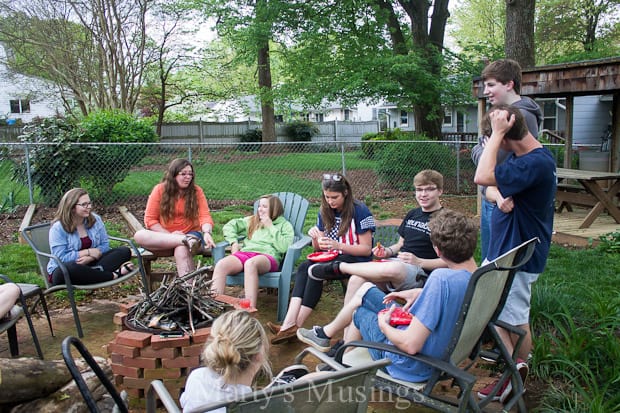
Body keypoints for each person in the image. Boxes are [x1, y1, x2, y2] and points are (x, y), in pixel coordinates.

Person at [297, 209, 478, 384]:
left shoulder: (441, 279)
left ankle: (342, 366)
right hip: (440, 349)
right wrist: (420, 293)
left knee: (359, 312)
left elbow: (410, 345)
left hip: (408, 363)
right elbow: (450, 298)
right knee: (366, 287)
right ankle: (327, 335)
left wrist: (383, 325)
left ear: (437, 251)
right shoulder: (475, 275)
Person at [473, 104, 556, 402]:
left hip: (518, 258)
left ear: (507, 138)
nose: (493, 148)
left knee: (516, 319)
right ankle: (514, 368)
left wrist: (495, 135)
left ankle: (517, 374)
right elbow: (488, 188)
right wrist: (497, 194)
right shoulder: (527, 159)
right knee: (491, 311)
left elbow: (481, 176)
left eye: (496, 142)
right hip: (504, 251)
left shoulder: (535, 163)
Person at [268, 173, 376, 345]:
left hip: (355, 260)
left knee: (314, 271)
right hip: (333, 256)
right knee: (304, 267)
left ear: (346, 193)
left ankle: (295, 325)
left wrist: (338, 246)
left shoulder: (360, 211)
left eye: (334, 197)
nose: (330, 201)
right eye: (327, 197)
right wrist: (315, 237)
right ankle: (289, 324)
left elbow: (366, 249)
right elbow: (319, 248)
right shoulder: (325, 210)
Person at [307, 169, 447, 301]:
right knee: (357, 279)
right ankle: (345, 327)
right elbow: (400, 244)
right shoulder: (412, 214)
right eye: (419, 189)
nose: (423, 194)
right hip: (396, 267)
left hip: (419, 274)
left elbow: (451, 261)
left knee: (394, 268)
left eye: (429, 189)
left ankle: (339, 266)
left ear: (440, 191)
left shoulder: (446, 219)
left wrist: (420, 262)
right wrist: (386, 252)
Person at [471, 59, 543, 261]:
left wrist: (486, 149)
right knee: (489, 261)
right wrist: (483, 151)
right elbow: (478, 151)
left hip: (505, 202)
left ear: (509, 84)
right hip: (492, 196)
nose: (486, 91)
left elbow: (490, 166)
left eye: (491, 85)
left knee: (501, 267)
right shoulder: (500, 114)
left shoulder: (521, 116)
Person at [180, 310, 311, 413]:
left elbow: (185, 403)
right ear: (259, 354)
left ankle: (273, 389)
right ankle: (276, 388)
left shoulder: (197, 376)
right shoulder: (261, 407)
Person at [134, 158, 216, 277]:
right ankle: (184, 241)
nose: (188, 177)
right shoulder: (159, 190)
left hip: (191, 234)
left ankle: (189, 290)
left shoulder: (196, 191)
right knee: (139, 235)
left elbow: (204, 216)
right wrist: (170, 236)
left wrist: (207, 232)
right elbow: (150, 220)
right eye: (183, 174)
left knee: (181, 249)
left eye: (190, 174)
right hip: (165, 238)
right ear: (173, 175)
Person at [210, 195, 295, 308]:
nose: (260, 209)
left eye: (264, 206)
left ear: (274, 209)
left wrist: (270, 226)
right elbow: (229, 226)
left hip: (267, 256)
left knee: (250, 264)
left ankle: (248, 310)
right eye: (259, 206)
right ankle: (213, 307)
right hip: (246, 253)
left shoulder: (284, 225)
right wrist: (234, 243)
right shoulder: (253, 220)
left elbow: (284, 247)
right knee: (221, 265)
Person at [47, 188, 135, 286]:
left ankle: (93, 274)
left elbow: (105, 245)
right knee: (70, 268)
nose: (89, 207)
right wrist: (87, 252)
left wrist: (91, 257)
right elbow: (60, 258)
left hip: (92, 263)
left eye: (89, 203)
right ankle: (113, 275)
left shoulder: (95, 219)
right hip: (67, 269)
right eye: (84, 204)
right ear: (71, 207)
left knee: (124, 251)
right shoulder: (58, 228)